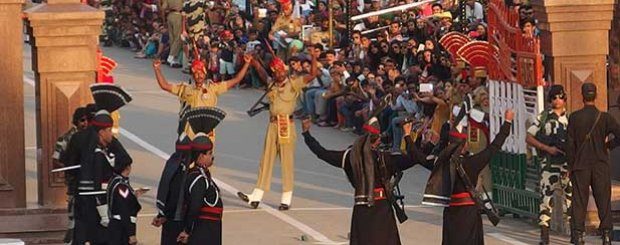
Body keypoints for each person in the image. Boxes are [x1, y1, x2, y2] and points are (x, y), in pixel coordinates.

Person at [301, 111, 428, 245]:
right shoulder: (386, 158)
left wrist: (306, 134)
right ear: (378, 139)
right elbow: (416, 158)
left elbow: (322, 153)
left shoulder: (350, 157)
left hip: (361, 210)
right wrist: (410, 136)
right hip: (382, 209)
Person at [236, 47, 319, 210]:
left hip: (286, 125)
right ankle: (256, 195)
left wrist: (314, 58)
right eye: (276, 71)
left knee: (286, 162)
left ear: (284, 70)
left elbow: (312, 75)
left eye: (280, 70)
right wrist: (251, 60)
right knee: (266, 160)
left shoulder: (293, 83)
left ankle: (286, 198)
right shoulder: (272, 83)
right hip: (272, 125)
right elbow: (261, 72)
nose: (279, 73)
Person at [423, 109, 513, 245]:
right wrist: (507, 122)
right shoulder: (472, 163)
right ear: (464, 145)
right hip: (468, 212)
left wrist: (408, 136)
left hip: (451, 210)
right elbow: (494, 147)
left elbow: (418, 158)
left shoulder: (441, 162)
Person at [64, 84, 133, 245]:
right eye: (110, 129)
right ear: (102, 130)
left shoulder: (77, 138)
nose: (111, 132)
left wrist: (76, 183)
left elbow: (69, 164)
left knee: (80, 235)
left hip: (80, 197)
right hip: (102, 199)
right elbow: (125, 160)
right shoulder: (106, 143)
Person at [567, 83, 620, 245]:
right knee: (603, 200)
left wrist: (570, 166)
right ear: (596, 96)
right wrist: (608, 146)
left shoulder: (574, 117)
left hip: (581, 165)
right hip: (600, 164)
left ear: (582, 96)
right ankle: (606, 235)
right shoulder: (604, 118)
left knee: (579, 201)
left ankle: (578, 235)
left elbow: (570, 145)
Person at [153, 54, 253, 139]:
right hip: (188, 133)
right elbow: (164, 86)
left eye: (201, 73)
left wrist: (247, 64)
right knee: (187, 160)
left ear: (205, 74)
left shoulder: (213, 88)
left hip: (207, 132)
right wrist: (157, 69)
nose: (199, 76)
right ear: (192, 75)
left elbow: (236, 80)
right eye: (196, 73)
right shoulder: (184, 88)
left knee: (205, 161)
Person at [525, 85, 572, 244]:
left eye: (560, 97)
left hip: (566, 164)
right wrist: (546, 148)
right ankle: (544, 237)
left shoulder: (570, 118)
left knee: (571, 199)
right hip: (549, 163)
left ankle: (574, 233)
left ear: (564, 98)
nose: (557, 100)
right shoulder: (543, 117)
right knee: (546, 200)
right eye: (553, 97)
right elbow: (529, 137)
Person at [176, 106, 226, 244]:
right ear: (200, 156)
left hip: (209, 230)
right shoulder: (198, 178)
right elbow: (195, 207)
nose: (212, 157)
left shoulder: (200, 174)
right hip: (204, 232)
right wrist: (187, 230)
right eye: (209, 154)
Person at [52, 107, 89, 245]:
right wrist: (69, 166)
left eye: (87, 120)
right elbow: (56, 160)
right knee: (74, 220)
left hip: (87, 184)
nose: (85, 123)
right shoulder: (66, 138)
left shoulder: (90, 137)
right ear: (76, 121)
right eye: (82, 120)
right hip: (75, 185)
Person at [153, 134, 192, 245]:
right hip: (178, 218)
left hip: (168, 217)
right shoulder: (187, 167)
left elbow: (165, 188)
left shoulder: (172, 162)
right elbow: (176, 194)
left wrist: (162, 214)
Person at [106, 148, 145, 245]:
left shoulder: (114, 180)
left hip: (115, 226)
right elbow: (124, 210)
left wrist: (133, 195)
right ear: (127, 168)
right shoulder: (122, 186)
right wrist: (131, 234)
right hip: (121, 228)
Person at [161, 0, 184, 67]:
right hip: (178, 15)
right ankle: (171, 57)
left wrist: (163, 20)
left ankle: (174, 59)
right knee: (178, 38)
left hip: (170, 16)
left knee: (172, 38)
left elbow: (163, 8)